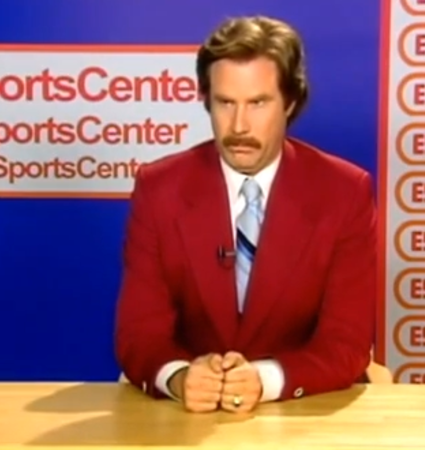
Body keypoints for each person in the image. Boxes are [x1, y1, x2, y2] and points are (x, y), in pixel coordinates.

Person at [114, 15, 377, 413]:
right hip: (190, 417)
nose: (238, 126)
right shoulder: (160, 189)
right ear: (207, 101)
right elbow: (139, 334)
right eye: (225, 103)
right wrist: (179, 377)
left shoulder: (344, 192)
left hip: (304, 412)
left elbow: (347, 343)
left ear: (290, 102)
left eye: (257, 103)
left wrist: (265, 379)